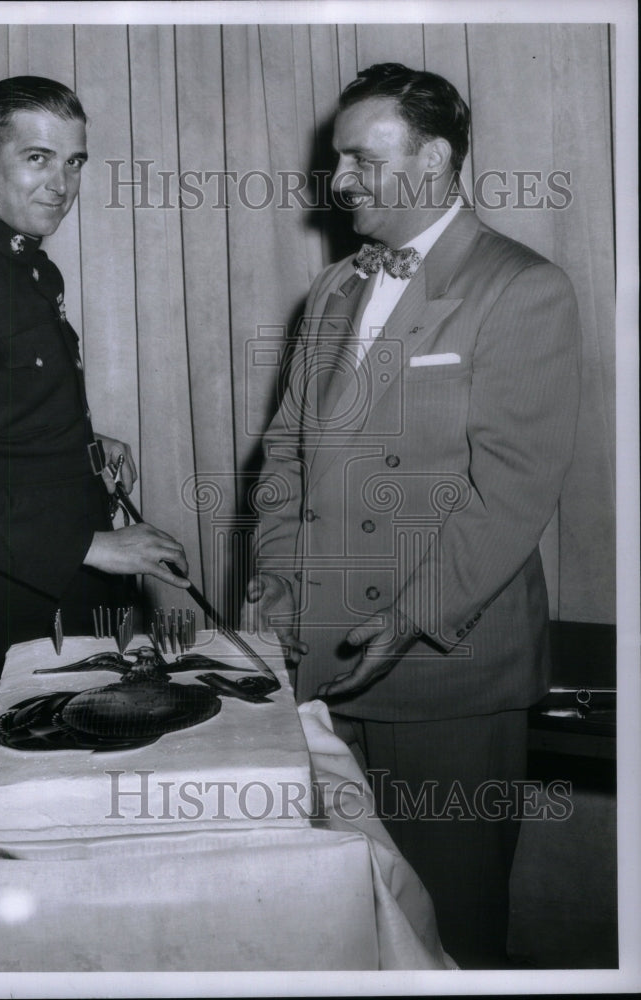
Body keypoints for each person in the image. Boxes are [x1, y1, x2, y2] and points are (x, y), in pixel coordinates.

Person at [247, 63, 580, 967]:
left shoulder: (523, 288)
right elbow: (286, 456)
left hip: (444, 666)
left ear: (431, 159)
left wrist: (416, 615)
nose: (339, 181)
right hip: (318, 654)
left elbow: (510, 490)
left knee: (448, 925)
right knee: (339, 921)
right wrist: (275, 589)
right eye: (336, 159)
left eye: (360, 157)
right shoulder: (330, 292)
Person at [0, 76, 189, 701]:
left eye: (73, 162)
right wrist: (92, 545)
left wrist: (77, 440)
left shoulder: (21, 265)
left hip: (37, 602)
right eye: (38, 158)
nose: (62, 184)